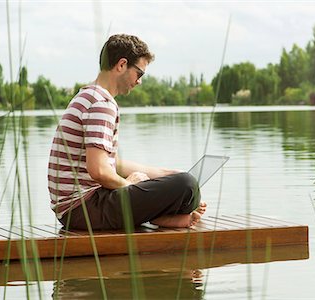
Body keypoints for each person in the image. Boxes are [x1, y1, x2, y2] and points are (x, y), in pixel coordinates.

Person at [47, 34, 205, 230]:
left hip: (77, 209)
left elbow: (112, 164)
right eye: (140, 74)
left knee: (178, 179)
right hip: (85, 210)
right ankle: (161, 214)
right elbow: (99, 171)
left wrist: (165, 174)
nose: (139, 82)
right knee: (187, 185)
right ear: (122, 65)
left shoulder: (88, 95)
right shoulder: (101, 103)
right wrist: (129, 186)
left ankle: (160, 216)